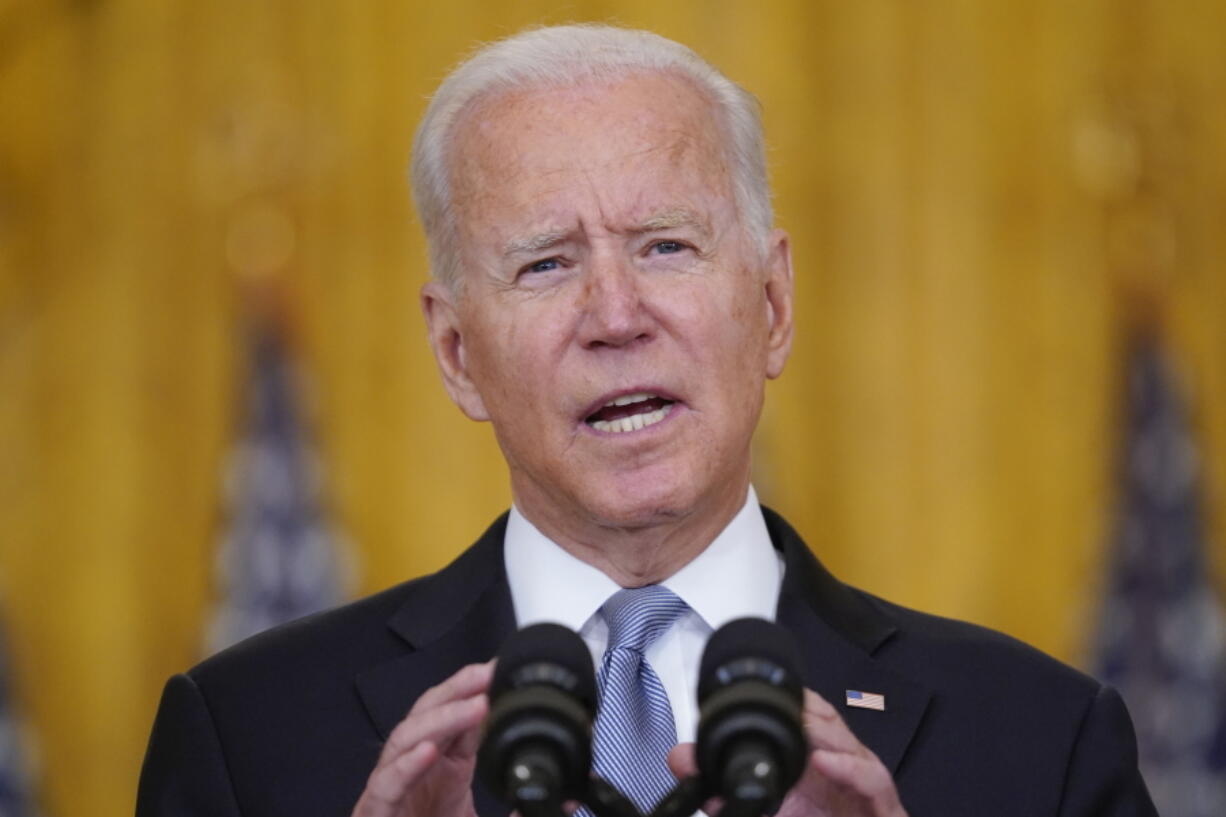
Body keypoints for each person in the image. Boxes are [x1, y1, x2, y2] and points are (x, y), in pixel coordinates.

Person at [136, 24, 1157, 817]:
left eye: (665, 246)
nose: (615, 315)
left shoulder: (1038, 738)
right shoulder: (249, 735)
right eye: (544, 263)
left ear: (769, 306)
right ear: (457, 355)